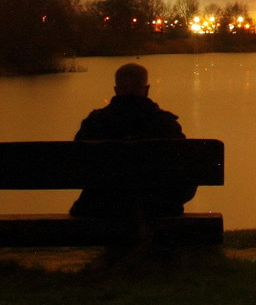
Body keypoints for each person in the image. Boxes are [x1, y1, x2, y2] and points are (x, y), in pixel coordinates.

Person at [69, 62, 197, 218]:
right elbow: (188, 174)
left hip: (101, 209)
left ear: (116, 91)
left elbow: (77, 167)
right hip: (157, 210)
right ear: (146, 90)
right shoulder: (165, 124)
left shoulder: (95, 123)